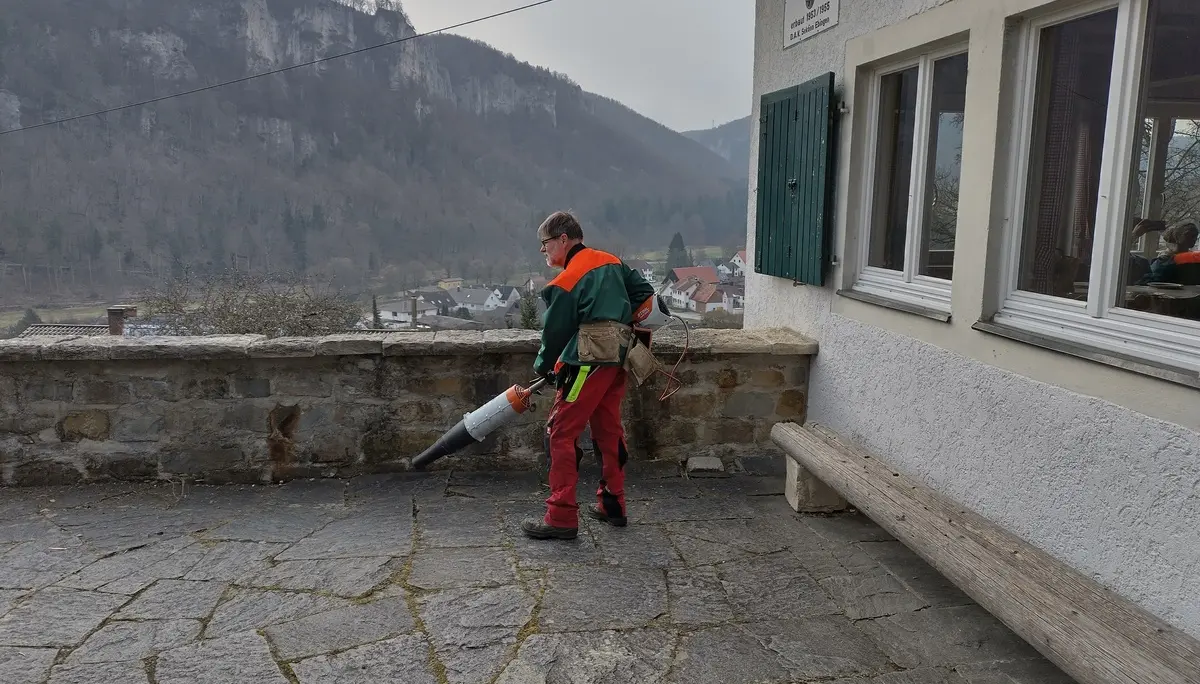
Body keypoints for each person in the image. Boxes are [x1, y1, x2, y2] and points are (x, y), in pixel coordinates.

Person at [522, 211, 656, 540]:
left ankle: (561, 516)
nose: (543, 250)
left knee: (560, 432)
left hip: (586, 363)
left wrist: (543, 366)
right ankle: (613, 505)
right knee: (608, 430)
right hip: (619, 360)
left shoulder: (567, 280)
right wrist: (622, 323)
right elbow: (645, 294)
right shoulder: (611, 261)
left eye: (545, 243)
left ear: (563, 239)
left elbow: (554, 333)